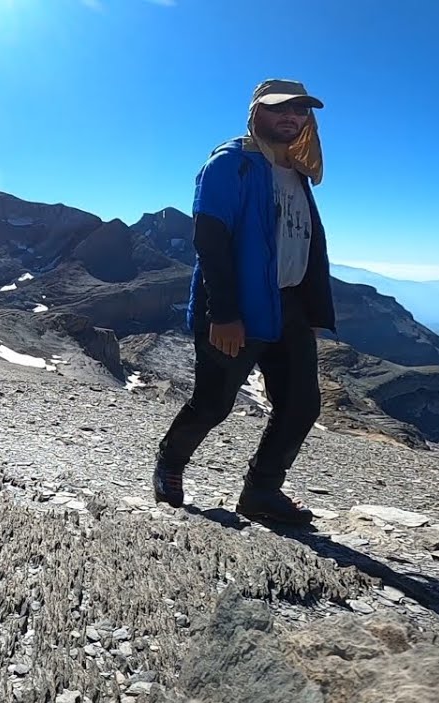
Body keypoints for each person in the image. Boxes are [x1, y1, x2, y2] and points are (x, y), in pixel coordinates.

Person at [152, 78, 336, 524]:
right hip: (238, 306)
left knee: (301, 405)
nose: (291, 117)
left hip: (288, 305)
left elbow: (304, 241)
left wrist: (310, 309)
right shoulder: (230, 164)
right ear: (256, 112)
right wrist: (225, 313)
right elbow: (210, 240)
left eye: (300, 110)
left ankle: (261, 492)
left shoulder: (293, 169)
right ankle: (170, 462)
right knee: (214, 403)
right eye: (280, 109)